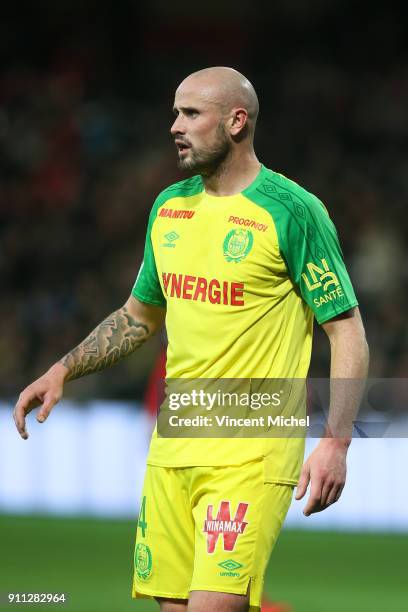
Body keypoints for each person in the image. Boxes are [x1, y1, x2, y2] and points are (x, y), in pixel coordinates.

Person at [14, 67, 369, 612]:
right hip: (173, 450)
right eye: (176, 112)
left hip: (250, 453)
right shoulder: (169, 207)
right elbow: (139, 315)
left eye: (191, 114)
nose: (175, 126)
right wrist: (62, 368)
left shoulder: (293, 211)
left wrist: (336, 442)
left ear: (236, 121)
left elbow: (346, 331)